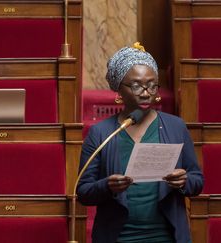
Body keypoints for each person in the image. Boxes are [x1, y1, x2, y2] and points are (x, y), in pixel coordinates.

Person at [76, 42, 203, 243]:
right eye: (136, 85)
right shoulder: (101, 133)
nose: (146, 92)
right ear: (119, 89)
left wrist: (184, 181)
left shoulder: (176, 127)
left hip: (166, 237)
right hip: (119, 238)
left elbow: (197, 181)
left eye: (152, 85)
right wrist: (107, 186)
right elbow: (83, 192)